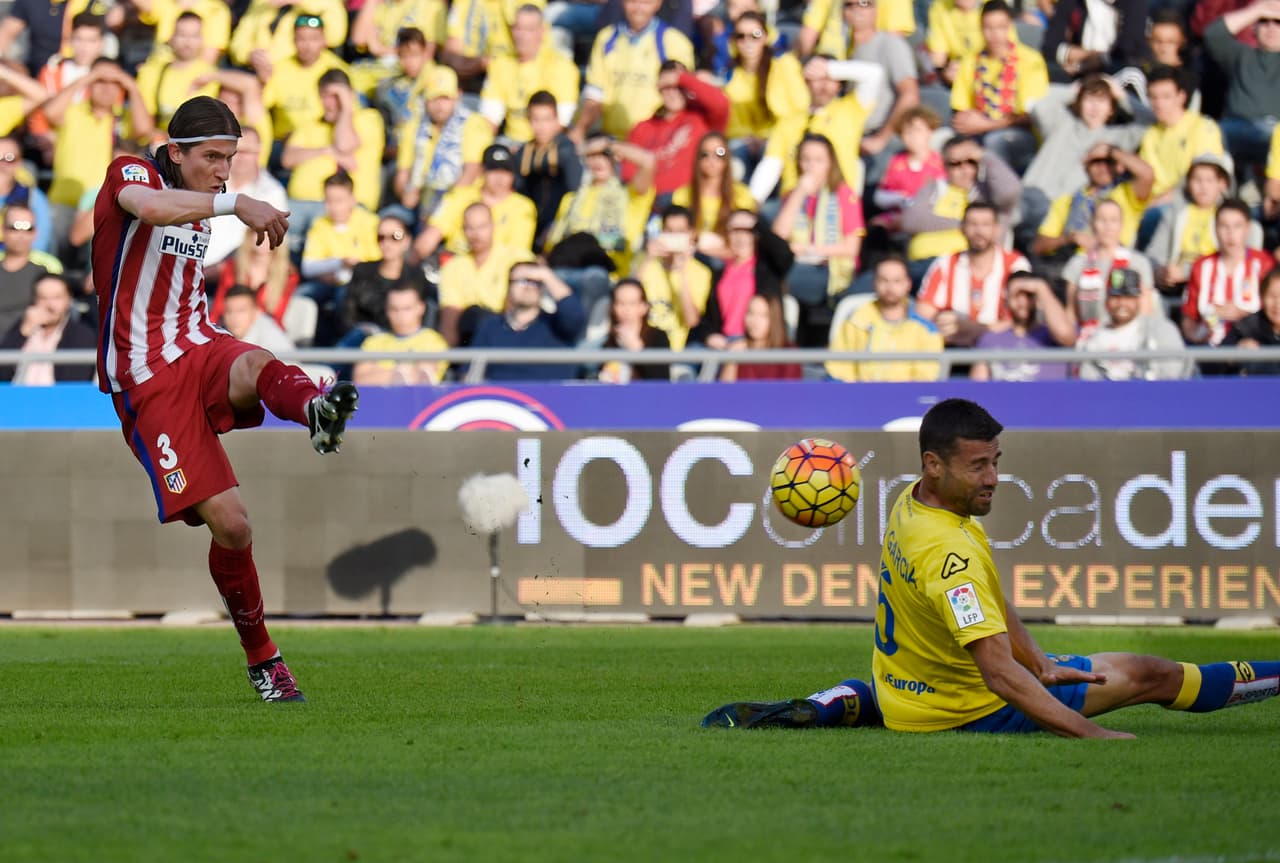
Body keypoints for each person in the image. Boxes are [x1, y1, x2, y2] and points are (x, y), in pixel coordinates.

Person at [705, 397, 1280, 735]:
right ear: (934, 464)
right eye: (978, 465)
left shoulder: (911, 501)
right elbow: (999, 675)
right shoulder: (948, 554)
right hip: (964, 709)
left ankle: (839, 702)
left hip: (899, 688)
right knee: (1150, 673)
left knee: (1075, 669)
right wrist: (1092, 733)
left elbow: (990, 604)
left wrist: (1041, 661)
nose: (993, 478)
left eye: (996, 461)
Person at [91, 95, 360, 703]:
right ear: (175, 150)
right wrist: (236, 202)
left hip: (199, 342)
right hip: (146, 377)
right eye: (212, 157)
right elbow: (150, 208)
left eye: (230, 159)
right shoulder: (133, 171)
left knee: (256, 361)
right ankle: (263, 659)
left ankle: (314, 409)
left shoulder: (202, 203)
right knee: (233, 527)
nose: (223, 170)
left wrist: (229, 205)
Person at [770, 133, 864, 342]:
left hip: (830, 269)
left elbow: (851, 247)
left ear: (830, 163)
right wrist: (799, 193)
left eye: (819, 160)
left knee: (776, 280)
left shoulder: (844, 194)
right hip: (798, 264)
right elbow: (778, 237)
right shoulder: (792, 195)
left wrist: (809, 250)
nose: (811, 166)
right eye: (806, 159)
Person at [572, 0, 696, 142]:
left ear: (658, 3)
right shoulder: (606, 38)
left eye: (646, 3)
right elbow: (595, 94)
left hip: (656, 140)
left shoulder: (676, 42)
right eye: (633, 1)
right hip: (612, 138)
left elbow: (682, 98)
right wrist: (579, 130)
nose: (638, 8)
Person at [949, 0, 1049, 175]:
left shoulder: (1030, 60)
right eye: (988, 28)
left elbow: (1031, 116)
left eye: (1001, 27)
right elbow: (960, 108)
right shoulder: (971, 60)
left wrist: (987, 125)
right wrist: (967, 121)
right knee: (945, 140)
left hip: (1018, 134)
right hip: (977, 129)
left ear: (1010, 27)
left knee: (995, 141)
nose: (995, 35)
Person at [900, 135, 1021, 276]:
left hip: (971, 266)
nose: (965, 169)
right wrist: (966, 224)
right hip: (924, 263)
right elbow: (911, 221)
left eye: (971, 162)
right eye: (956, 163)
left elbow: (1010, 191)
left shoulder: (990, 194)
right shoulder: (934, 188)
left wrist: (984, 155)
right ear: (945, 166)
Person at [916, 202, 1030, 347]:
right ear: (962, 228)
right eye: (973, 224)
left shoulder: (1016, 264)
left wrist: (971, 328)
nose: (979, 231)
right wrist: (942, 321)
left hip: (1002, 349)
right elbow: (923, 314)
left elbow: (1023, 320)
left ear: (997, 229)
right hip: (953, 348)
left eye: (986, 224)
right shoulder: (945, 263)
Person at [825, 255, 944, 383]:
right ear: (874, 283)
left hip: (907, 395)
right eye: (883, 280)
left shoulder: (926, 331)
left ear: (908, 284)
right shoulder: (854, 322)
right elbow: (838, 370)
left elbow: (926, 380)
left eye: (897, 281)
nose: (890, 287)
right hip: (859, 393)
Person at [1030, 141, 1154, 263]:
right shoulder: (1066, 200)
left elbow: (1147, 175)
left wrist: (1111, 151)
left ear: (1119, 167)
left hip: (1111, 262)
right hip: (1069, 261)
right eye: (1096, 162)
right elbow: (1037, 246)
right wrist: (1070, 238)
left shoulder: (1127, 194)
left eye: (1109, 162)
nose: (1102, 167)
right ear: (1086, 165)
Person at [686, 208, 793, 348]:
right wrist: (710, 336)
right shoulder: (719, 271)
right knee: (689, 355)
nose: (741, 238)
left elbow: (784, 253)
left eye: (747, 231)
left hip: (756, 343)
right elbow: (709, 317)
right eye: (735, 231)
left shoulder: (768, 267)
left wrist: (757, 224)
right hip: (723, 342)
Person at [626, 59, 730, 201]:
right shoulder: (642, 128)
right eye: (667, 87)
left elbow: (721, 103)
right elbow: (628, 172)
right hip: (652, 202)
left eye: (679, 87)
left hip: (690, 200)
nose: (673, 93)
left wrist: (682, 78)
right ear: (659, 89)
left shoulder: (702, 117)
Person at [477, 5, 580, 144]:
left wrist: (529, 152)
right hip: (510, 142)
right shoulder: (501, 64)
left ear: (542, 31)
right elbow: (490, 118)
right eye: (518, 28)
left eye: (529, 29)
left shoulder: (562, 67)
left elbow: (562, 122)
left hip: (547, 144)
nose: (522, 36)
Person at [1204, 0, 1280, 186]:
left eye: (1278, 22)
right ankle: (1220, 193)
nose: (1271, 27)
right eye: (1264, 21)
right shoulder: (1241, 54)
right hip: (1234, 127)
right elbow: (1213, 34)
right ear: (1254, 27)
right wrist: (1257, 10)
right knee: (1205, 134)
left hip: (1275, 133)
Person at [723, 11, 808, 177]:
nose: (748, 41)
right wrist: (749, 137)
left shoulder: (785, 64)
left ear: (766, 37)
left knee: (771, 155)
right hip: (746, 140)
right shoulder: (732, 75)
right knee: (733, 163)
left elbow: (800, 108)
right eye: (741, 36)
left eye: (755, 35)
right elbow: (732, 121)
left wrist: (767, 138)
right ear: (734, 40)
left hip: (782, 138)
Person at [436, 202, 534, 345]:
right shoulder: (453, 267)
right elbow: (450, 317)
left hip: (512, 334)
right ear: (463, 230)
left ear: (493, 226)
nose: (476, 234)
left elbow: (523, 311)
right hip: (471, 336)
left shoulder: (518, 258)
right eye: (470, 228)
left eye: (482, 226)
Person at [469, 261, 587, 380]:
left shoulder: (557, 324)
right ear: (509, 286)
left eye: (535, 282)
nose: (528, 286)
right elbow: (470, 373)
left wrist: (547, 275)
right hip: (502, 391)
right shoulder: (491, 326)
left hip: (550, 391)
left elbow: (575, 315)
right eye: (522, 280)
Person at [1181, 199, 1273, 346]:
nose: (1230, 233)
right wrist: (1196, 335)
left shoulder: (1265, 264)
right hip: (1208, 348)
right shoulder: (1201, 266)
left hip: (1253, 348)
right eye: (1224, 226)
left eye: (1237, 226)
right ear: (1215, 229)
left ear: (1248, 229)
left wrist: (1242, 315)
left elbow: (1274, 313)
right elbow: (1189, 317)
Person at [1060, 198, 1156, 336]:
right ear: (1093, 224)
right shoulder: (1078, 263)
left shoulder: (1138, 263)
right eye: (1102, 220)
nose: (1108, 226)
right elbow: (1071, 313)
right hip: (1089, 337)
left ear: (1121, 225)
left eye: (1113, 220)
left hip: (1130, 337)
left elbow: (1145, 311)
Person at [1078, 268, 1193, 381]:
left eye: (1129, 297)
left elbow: (1172, 376)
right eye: (1116, 296)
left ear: (1138, 299)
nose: (1122, 303)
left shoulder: (1161, 329)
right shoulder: (1094, 337)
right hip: (1107, 393)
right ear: (1107, 299)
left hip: (1149, 392)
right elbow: (1088, 380)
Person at [970, 270, 1075, 381]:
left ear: (1038, 299)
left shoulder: (1053, 336)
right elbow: (977, 386)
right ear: (1006, 299)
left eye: (1028, 295)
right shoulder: (990, 339)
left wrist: (1041, 287)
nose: (1022, 302)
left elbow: (1066, 335)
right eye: (1016, 295)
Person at [633, 204, 711, 350]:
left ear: (691, 234)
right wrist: (647, 259)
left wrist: (682, 272)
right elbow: (628, 298)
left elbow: (692, 320)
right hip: (639, 345)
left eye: (680, 232)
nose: (674, 237)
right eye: (669, 231)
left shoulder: (701, 272)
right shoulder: (645, 262)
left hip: (675, 351)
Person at [515, 91, 584, 250]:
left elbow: (575, 194)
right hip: (528, 226)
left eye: (547, 119)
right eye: (535, 119)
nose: (541, 126)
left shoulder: (567, 152)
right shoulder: (523, 153)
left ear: (557, 120)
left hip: (558, 229)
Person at [672, 131, 756, 262]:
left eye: (719, 153)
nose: (712, 160)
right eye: (705, 154)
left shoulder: (741, 194)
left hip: (730, 259)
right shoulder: (683, 195)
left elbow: (747, 239)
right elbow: (677, 235)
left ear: (727, 158)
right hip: (692, 257)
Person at [0, 273, 97, 385]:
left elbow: (75, 379)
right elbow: (3, 372)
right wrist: (23, 332)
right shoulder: (22, 327)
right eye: (43, 298)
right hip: (16, 394)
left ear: (69, 299)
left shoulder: (81, 335)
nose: (50, 305)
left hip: (57, 395)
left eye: (57, 298)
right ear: (34, 300)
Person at [353, 282, 449, 386]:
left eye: (407, 308)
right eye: (394, 309)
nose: (400, 314)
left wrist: (380, 373)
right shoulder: (373, 341)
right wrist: (400, 373)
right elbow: (359, 379)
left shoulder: (434, 340)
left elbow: (425, 376)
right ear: (387, 310)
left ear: (421, 308)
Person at [0, 203, 62, 337]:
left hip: (31, 342)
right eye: (14, 227)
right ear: (3, 230)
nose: (21, 234)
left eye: (28, 228)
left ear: (36, 232)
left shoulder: (49, 267)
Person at [598, 278, 671, 382]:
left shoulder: (658, 337)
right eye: (620, 303)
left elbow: (662, 380)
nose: (626, 309)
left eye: (632, 303)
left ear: (644, 307)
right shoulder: (608, 341)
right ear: (613, 307)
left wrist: (638, 350)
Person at [719, 293, 802, 381]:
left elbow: (790, 388)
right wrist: (731, 361)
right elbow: (725, 388)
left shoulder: (789, 352)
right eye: (750, 313)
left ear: (774, 319)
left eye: (762, 315)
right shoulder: (738, 348)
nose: (754, 321)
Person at [1219, 267, 1280, 375]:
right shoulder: (1245, 327)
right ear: (1262, 297)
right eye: (1272, 296)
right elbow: (1216, 363)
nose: (1277, 304)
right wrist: (1236, 352)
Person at [219, 283, 296, 357]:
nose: (234, 317)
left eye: (241, 310)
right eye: (228, 311)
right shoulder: (221, 336)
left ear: (256, 312)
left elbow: (291, 361)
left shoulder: (271, 335)